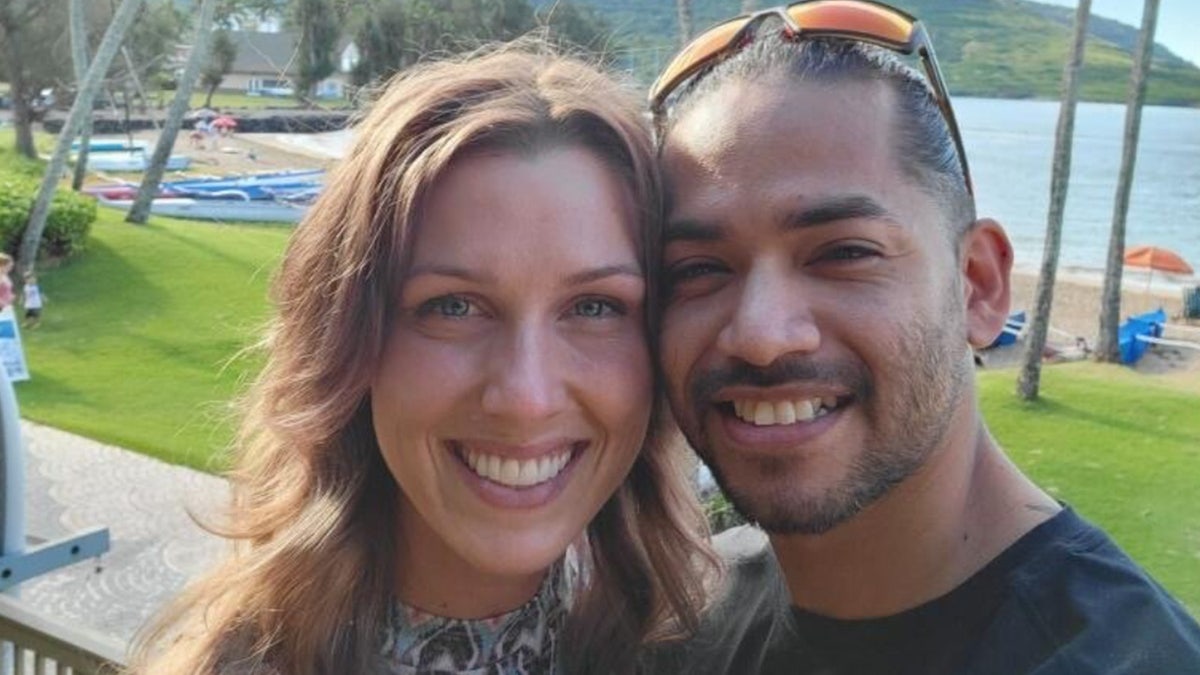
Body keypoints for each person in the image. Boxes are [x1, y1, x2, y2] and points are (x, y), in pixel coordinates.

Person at [642, 2, 1200, 673]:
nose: (760, 336)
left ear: (978, 285)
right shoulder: (681, 620)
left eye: (844, 252)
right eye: (698, 269)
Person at [129, 44, 715, 675]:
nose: (527, 397)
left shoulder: (701, 644)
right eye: (454, 307)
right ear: (349, 345)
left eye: (595, 307)